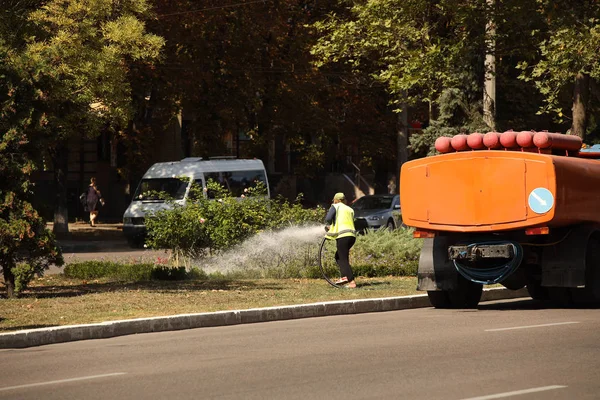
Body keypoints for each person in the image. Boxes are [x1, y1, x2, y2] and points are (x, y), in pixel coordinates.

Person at [324, 192, 357, 288]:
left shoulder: (336, 206)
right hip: (352, 236)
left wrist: (329, 226)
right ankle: (345, 277)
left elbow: (328, 218)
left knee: (341, 258)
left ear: (335, 200)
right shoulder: (350, 209)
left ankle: (351, 281)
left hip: (343, 235)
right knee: (340, 256)